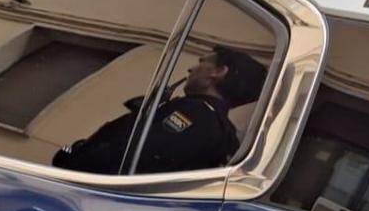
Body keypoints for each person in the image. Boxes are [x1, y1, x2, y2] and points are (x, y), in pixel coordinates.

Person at [53, 47, 267, 175]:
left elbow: (131, 155)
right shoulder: (226, 133)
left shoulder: (194, 113)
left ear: (219, 72)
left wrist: (75, 154)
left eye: (202, 62)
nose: (191, 68)